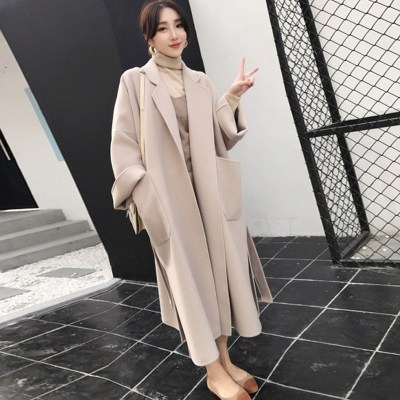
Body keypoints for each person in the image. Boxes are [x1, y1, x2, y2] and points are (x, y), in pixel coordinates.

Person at [110, 1, 272, 399]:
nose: (175, 35)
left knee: (218, 276)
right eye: (163, 28)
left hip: (209, 194)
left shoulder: (200, 81)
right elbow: (123, 142)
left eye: (179, 25)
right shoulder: (135, 81)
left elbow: (221, 135)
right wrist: (144, 191)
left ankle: (225, 360)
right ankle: (213, 371)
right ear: (149, 37)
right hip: (169, 200)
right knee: (189, 283)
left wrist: (231, 97)